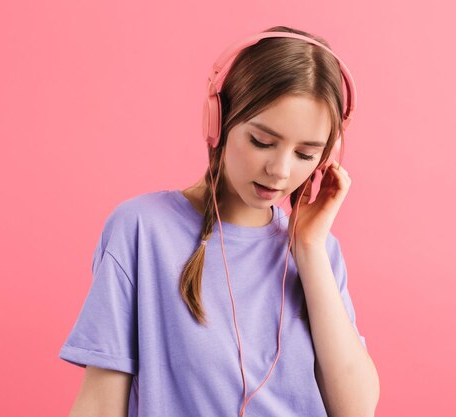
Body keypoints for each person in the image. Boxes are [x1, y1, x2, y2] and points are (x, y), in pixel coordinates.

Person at [59, 25, 379, 417]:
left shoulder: (321, 252)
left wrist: (309, 250)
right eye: (262, 142)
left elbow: (357, 409)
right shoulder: (142, 230)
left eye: (306, 154)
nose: (280, 170)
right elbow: (99, 404)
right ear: (219, 122)